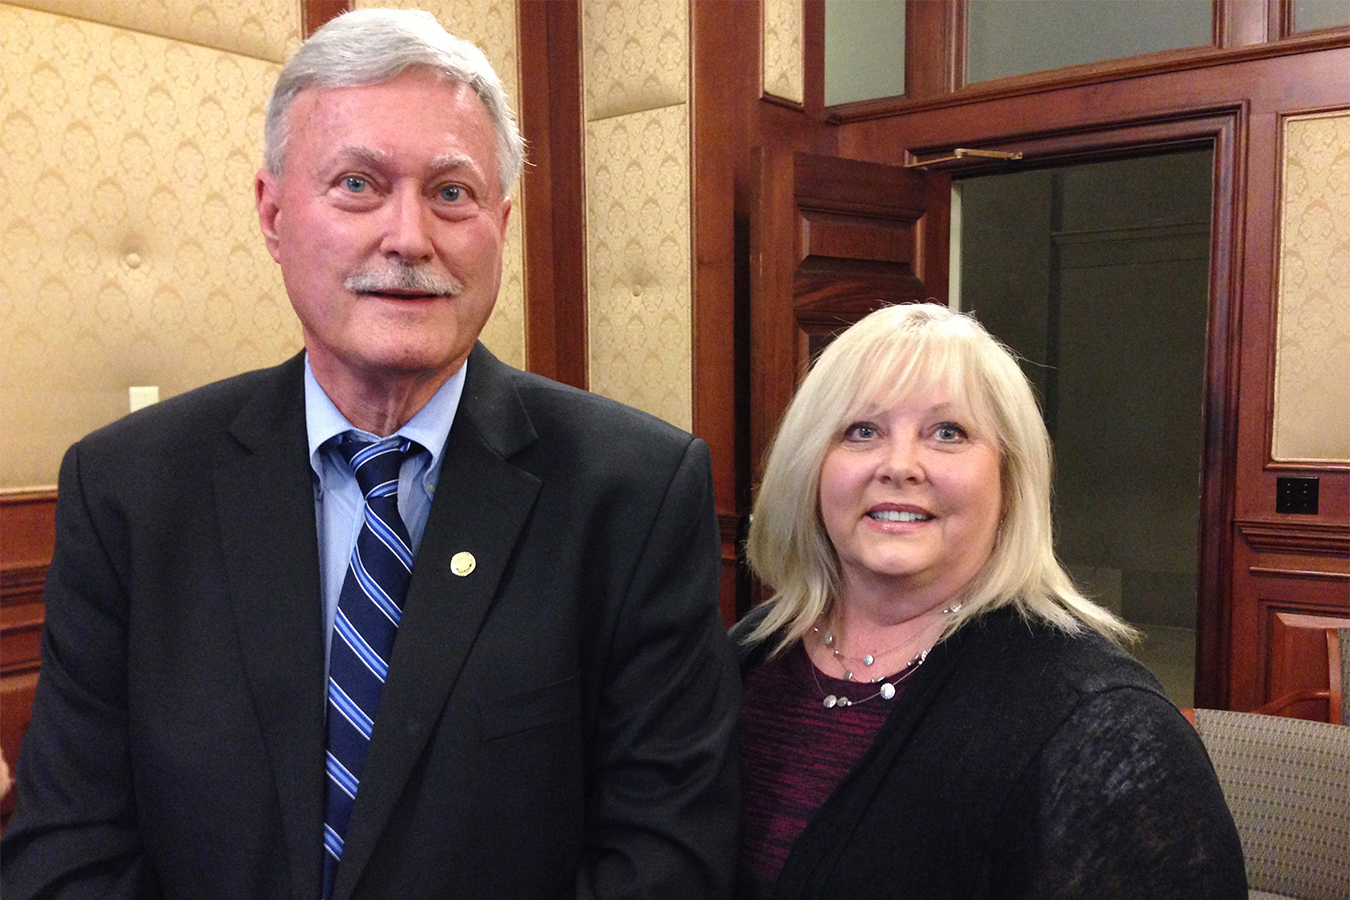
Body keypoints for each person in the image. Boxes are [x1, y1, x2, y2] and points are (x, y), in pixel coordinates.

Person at [1, 10, 738, 900]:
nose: (409, 238)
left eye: (452, 193)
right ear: (273, 214)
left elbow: (663, 858)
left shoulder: (636, 493)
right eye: (357, 184)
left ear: (500, 224)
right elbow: (69, 848)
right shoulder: (127, 489)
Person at [733, 303, 1246, 899]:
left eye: (947, 433)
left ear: (1010, 480)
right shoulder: (743, 658)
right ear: (810, 467)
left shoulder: (1106, 727)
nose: (899, 466)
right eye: (861, 431)